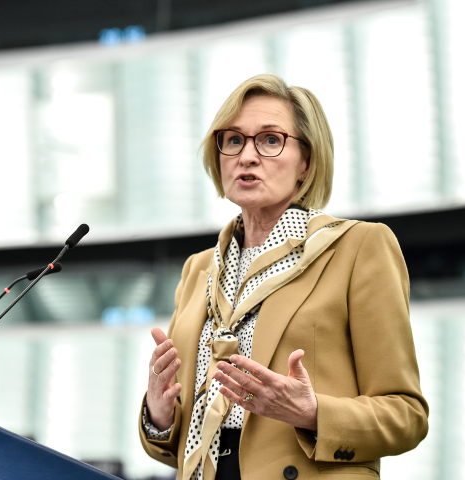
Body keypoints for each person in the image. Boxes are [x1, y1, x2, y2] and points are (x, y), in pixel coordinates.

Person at [138, 74, 428, 480]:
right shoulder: (198, 269)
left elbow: (407, 415)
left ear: (306, 161)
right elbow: (176, 445)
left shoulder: (359, 247)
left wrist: (312, 414)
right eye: (233, 140)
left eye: (270, 140)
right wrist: (159, 411)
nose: (247, 156)